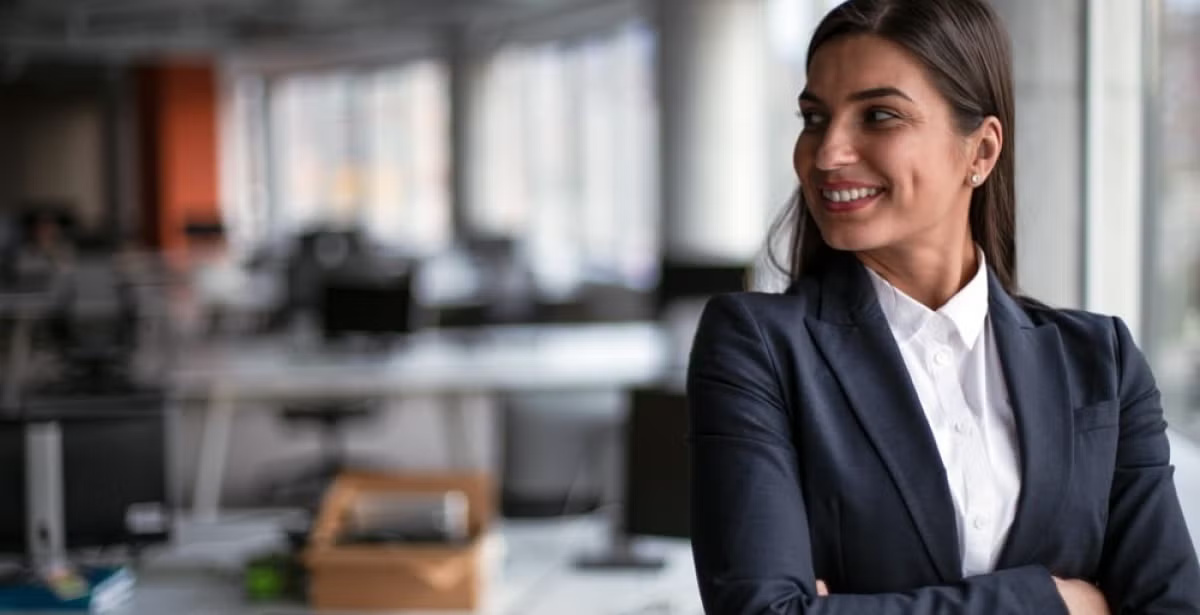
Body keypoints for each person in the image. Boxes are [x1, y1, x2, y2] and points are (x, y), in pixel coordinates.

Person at [686, 0, 1200, 613]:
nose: (826, 155)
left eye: (878, 116)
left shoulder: (1100, 361)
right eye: (814, 118)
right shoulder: (757, 347)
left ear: (980, 152)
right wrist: (1057, 602)